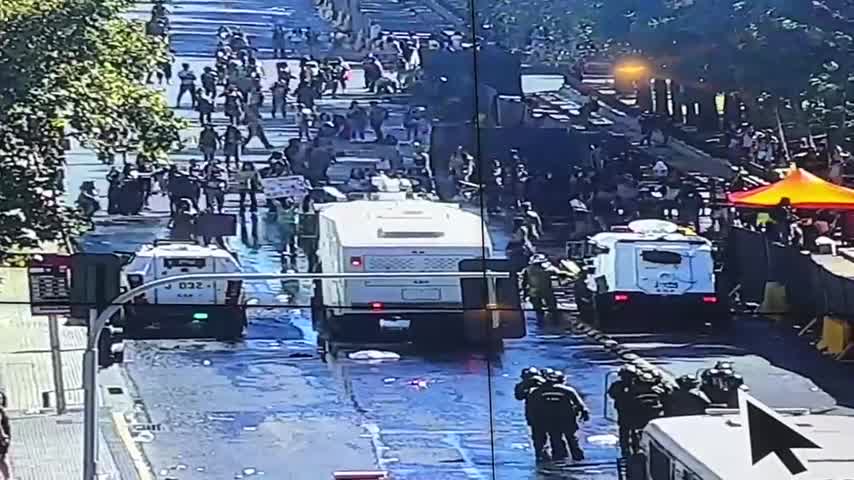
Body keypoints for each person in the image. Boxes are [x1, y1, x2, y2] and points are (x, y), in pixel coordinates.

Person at [529, 370, 589, 462]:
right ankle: (578, 460)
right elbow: (581, 406)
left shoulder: (537, 391)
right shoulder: (568, 390)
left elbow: (532, 408)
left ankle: (559, 461)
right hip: (567, 420)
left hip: (549, 422)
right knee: (572, 440)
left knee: (556, 440)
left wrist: (534, 421)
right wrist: (584, 414)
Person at [514, 368, 548, 461]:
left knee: (556, 437)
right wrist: (526, 384)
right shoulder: (525, 387)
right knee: (538, 438)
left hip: (550, 414)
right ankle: (541, 455)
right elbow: (519, 396)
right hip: (534, 416)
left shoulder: (545, 384)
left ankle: (558, 456)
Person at [608, 365, 637, 457]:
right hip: (624, 410)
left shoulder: (637, 386)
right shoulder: (618, 385)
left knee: (631, 430)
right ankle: (626, 448)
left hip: (634, 410)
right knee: (625, 429)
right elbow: (612, 394)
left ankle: (633, 447)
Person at [0, 391, 9, 480]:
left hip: (3, 438)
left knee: (2, 459)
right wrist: (3, 436)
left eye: (1, 398)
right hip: (1, 438)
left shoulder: (2, 410)